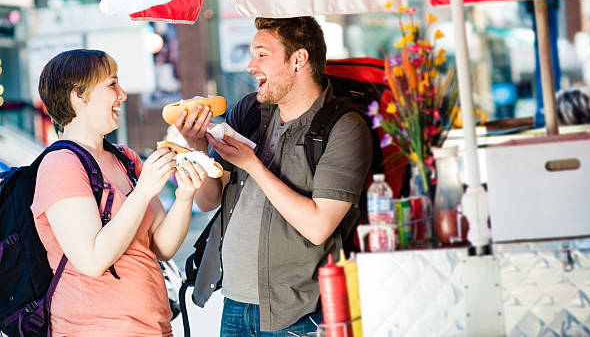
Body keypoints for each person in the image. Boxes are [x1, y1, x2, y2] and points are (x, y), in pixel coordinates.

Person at [175, 17, 373, 336]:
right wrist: (197, 148)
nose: (251, 66)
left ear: (298, 59)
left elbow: (318, 226)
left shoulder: (344, 128)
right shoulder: (249, 112)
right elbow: (208, 200)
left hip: (302, 313)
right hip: (235, 304)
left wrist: (253, 165)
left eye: (262, 54)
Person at [33, 49, 206, 336]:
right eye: (112, 84)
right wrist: (144, 192)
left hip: (154, 328)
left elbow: (162, 247)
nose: (122, 94)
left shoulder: (125, 158)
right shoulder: (60, 164)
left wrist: (185, 196)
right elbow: (92, 260)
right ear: (79, 96)